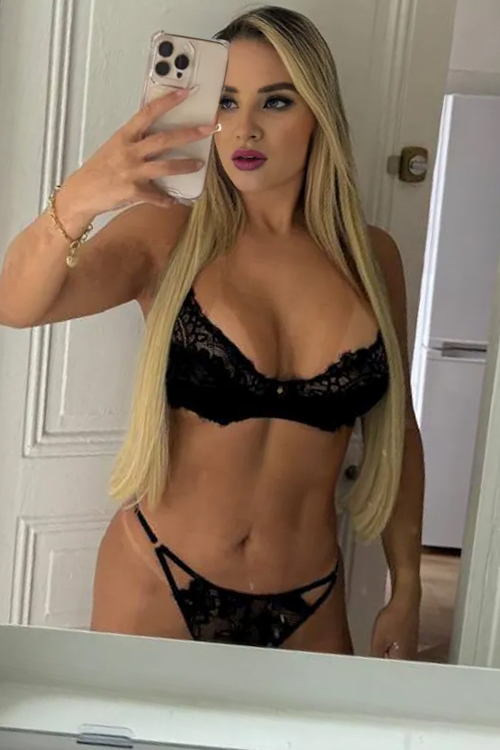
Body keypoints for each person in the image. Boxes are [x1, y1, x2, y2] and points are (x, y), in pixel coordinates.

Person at [0, 5, 424, 657]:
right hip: (158, 578)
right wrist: (85, 193)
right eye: (225, 101)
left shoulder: (371, 258)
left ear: (319, 113)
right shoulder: (168, 234)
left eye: (276, 101)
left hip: (312, 598)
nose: (244, 127)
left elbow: (399, 430)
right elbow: (16, 304)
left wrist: (410, 583)